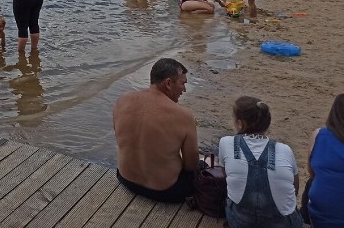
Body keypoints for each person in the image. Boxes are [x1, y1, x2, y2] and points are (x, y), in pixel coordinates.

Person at [113, 58, 199, 202]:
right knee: (202, 167)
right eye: (183, 83)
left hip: (125, 179)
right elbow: (191, 165)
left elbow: (122, 140)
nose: (184, 89)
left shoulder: (123, 100)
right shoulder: (184, 116)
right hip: (166, 191)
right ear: (168, 83)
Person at [219, 96, 303, 228]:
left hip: (241, 222)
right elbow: (295, 188)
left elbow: (226, 177)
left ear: (240, 124)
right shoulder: (285, 150)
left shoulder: (225, 143)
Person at [306, 94, 344, 227]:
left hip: (320, 216)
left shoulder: (318, 135)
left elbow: (312, 172)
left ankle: (304, 220)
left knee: (311, 182)